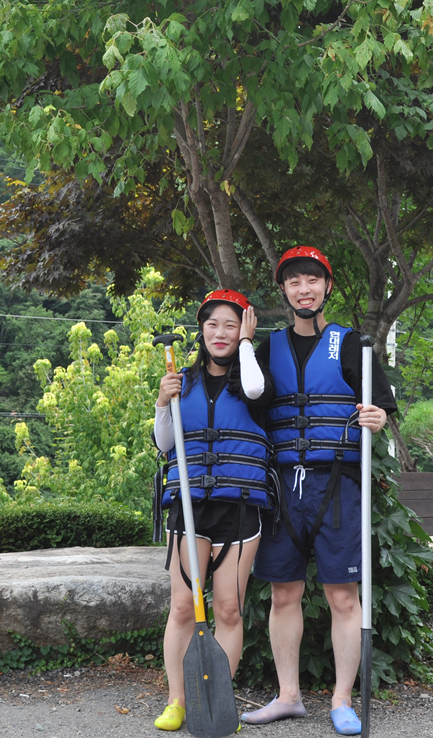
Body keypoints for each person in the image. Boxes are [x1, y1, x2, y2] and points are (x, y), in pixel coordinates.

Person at [242, 247, 397, 736]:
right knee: (283, 592)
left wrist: (377, 417)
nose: (303, 289)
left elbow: (382, 407)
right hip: (283, 486)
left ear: (327, 286)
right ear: (284, 291)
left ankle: (342, 700)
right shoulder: (268, 348)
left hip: (337, 485)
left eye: (312, 280)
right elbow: (248, 398)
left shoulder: (352, 345)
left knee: (342, 596)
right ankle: (288, 696)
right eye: (294, 282)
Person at [152, 289, 275, 732]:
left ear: (243, 329)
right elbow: (165, 443)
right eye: (212, 324)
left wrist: (248, 344)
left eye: (230, 325)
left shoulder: (254, 379)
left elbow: (256, 390)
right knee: (183, 607)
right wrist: (162, 402)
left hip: (238, 508)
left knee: (227, 611)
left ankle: (219, 702)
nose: (219, 333)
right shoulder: (181, 379)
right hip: (190, 508)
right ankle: (178, 700)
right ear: (200, 330)